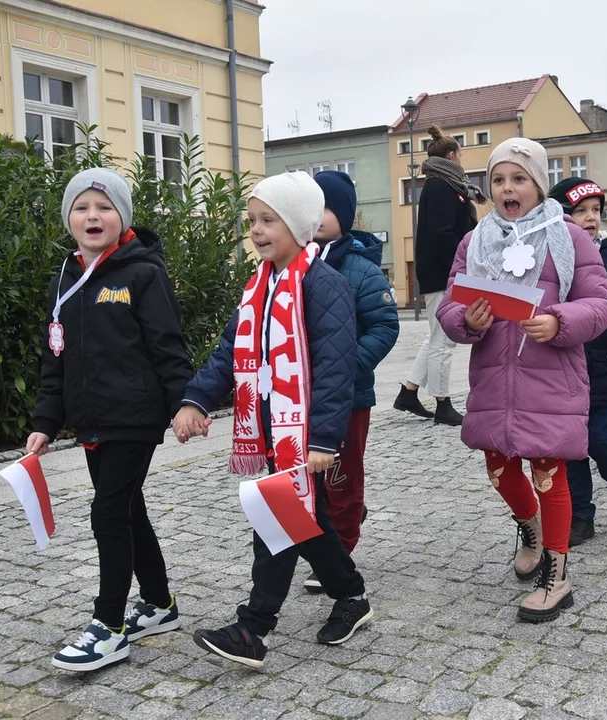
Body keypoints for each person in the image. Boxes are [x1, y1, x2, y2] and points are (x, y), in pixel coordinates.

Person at [175, 172, 371, 670]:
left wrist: (326, 437)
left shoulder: (324, 285)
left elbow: (334, 367)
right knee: (308, 522)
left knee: (276, 521)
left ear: (299, 224)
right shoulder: (257, 286)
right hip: (269, 430)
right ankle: (352, 596)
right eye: (252, 221)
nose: (257, 230)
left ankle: (253, 627)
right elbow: (228, 352)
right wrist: (196, 399)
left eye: (268, 220)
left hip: (306, 433)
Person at [437, 138, 607, 621]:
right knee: (498, 468)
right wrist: (466, 321)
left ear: (537, 185)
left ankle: (557, 575)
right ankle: (530, 527)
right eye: (498, 179)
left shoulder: (569, 236)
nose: (507, 188)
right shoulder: (474, 241)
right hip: (495, 378)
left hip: (550, 378)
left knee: (549, 473)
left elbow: (602, 303)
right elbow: (450, 304)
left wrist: (560, 321)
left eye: (518, 179)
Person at [28, 168, 193, 671]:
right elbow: (55, 358)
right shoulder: (66, 276)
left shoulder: (142, 272)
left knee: (107, 513)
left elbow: (168, 348)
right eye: (81, 207)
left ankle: (109, 626)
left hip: (135, 417)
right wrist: (45, 420)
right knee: (128, 510)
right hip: (92, 420)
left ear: (122, 216)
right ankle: (160, 605)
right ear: (69, 218)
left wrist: (186, 405)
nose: (92, 216)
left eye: (103, 207)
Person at [299, 171, 400, 591]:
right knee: (306, 475)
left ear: (344, 214)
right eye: (310, 205)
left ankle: (340, 547)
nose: (317, 216)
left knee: (341, 473)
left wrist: (346, 368)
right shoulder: (293, 262)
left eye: (326, 207)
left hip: (348, 396)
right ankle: (318, 541)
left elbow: (384, 326)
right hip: (300, 396)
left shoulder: (360, 269)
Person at [548, 177, 607, 544]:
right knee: (572, 449)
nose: (590, 218)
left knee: (602, 442)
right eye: (580, 212)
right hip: (564, 371)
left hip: (605, 368)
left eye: (595, 211)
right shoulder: (553, 256)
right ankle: (581, 516)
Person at [394, 126, 485, 425]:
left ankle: (408, 392)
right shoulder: (441, 187)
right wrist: (467, 253)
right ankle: (443, 403)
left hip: (441, 271)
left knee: (436, 336)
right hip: (445, 273)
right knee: (444, 339)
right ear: (450, 156)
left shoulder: (443, 185)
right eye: (460, 155)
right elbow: (442, 234)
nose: (461, 160)